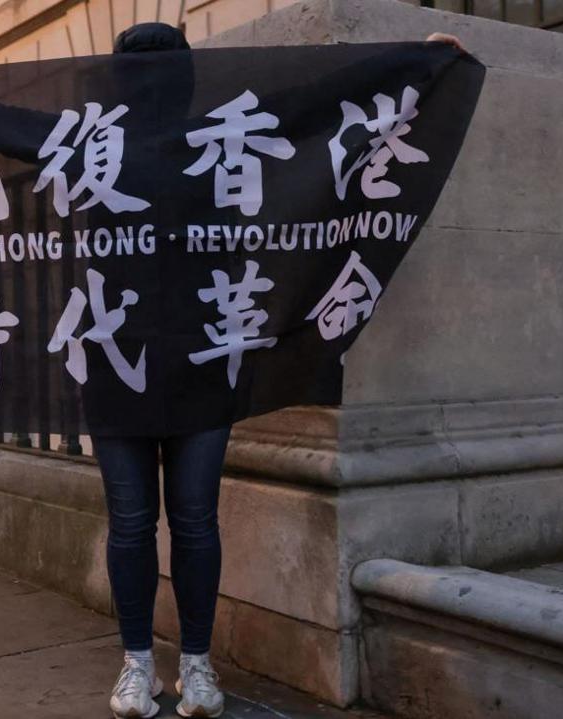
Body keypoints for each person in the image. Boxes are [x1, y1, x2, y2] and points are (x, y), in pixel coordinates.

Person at [99, 24, 466, 719]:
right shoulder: (92, 145)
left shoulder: (219, 137)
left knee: (196, 519)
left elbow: (316, 102)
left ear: (183, 79)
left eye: (163, 71)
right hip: (117, 362)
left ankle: (199, 668)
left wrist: (418, 60)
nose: (150, 85)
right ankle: (136, 665)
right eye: (136, 73)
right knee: (130, 522)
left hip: (205, 360)